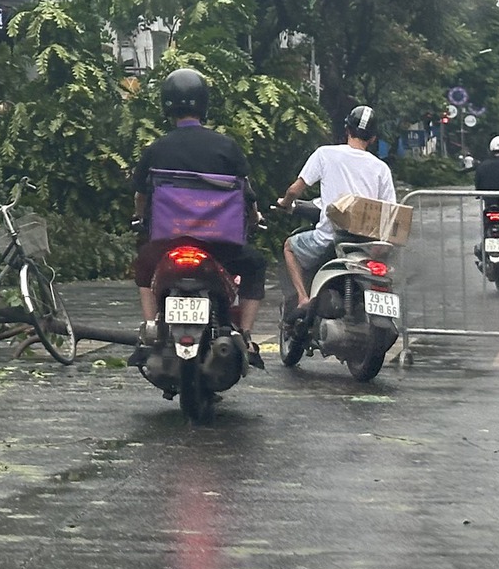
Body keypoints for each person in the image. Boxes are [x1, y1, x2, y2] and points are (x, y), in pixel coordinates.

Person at [131, 68, 267, 357]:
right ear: (204, 104)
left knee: (143, 264)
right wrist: (255, 219)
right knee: (255, 265)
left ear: (166, 105)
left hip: (167, 242)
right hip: (221, 245)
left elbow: (141, 195)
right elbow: (247, 193)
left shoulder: (156, 148)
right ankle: (244, 334)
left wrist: (142, 219)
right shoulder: (226, 146)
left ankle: (151, 327)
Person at [277, 106, 398, 314]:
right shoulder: (381, 169)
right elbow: (391, 213)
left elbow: (295, 189)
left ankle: (304, 298)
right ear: (373, 138)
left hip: (330, 238)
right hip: (367, 244)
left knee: (289, 246)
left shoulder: (325, 154)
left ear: (347, 130)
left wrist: (285, 203)